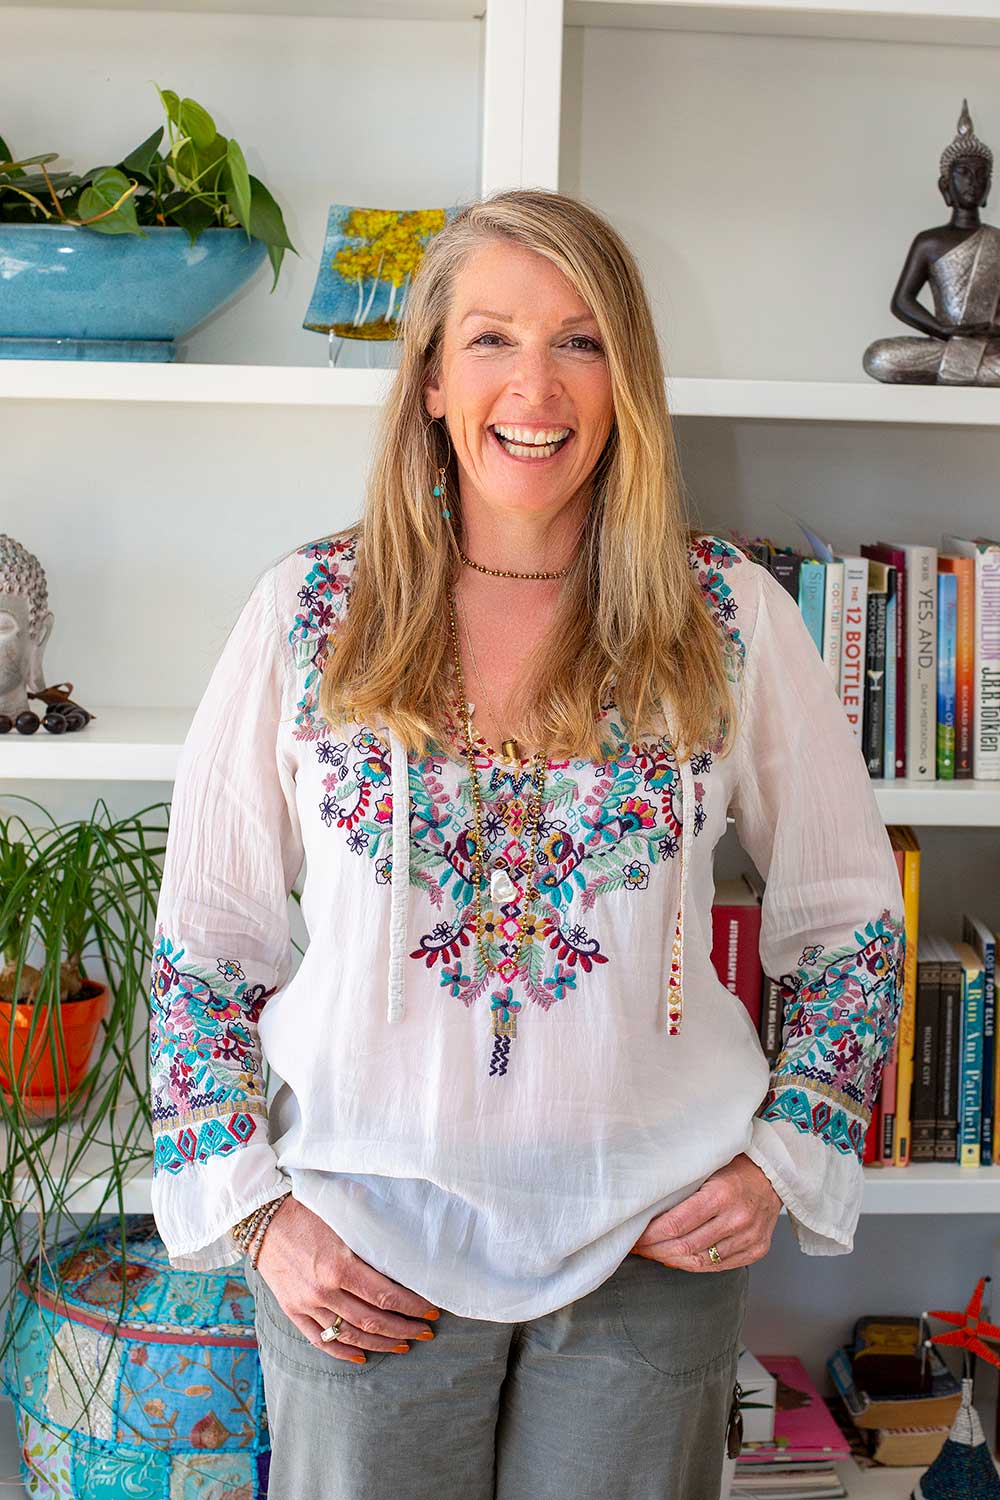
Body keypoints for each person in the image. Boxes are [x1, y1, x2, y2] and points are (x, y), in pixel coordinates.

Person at [148, 187, 906, 1500]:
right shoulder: (306, 615)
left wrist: (786, 1153)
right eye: (492, 338)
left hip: (645, 1252)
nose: (535, 383)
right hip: (358, 1248)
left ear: (626, 381)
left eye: (581, 339)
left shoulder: (731, 618)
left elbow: (850, 917)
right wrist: (261, 1216)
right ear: (432, 380)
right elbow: (204, 946)